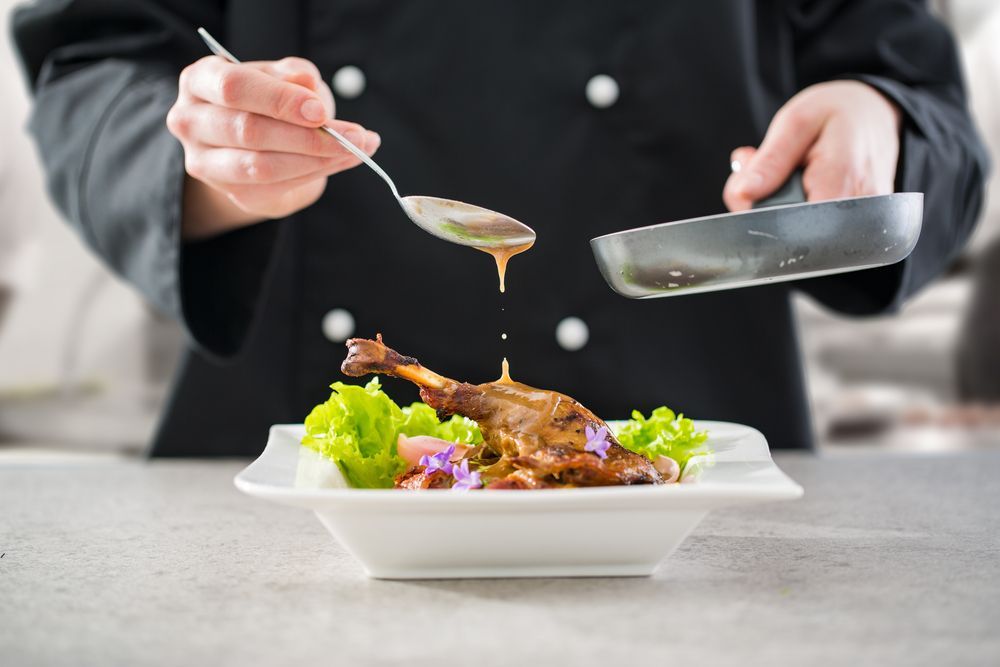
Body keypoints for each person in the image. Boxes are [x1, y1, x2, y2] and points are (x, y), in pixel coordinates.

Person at [12, 1, 987, 456]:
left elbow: (918, 93)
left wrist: (877, 121)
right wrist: (213, 161)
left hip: (704, 488)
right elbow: (97, 66)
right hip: (287, 488)